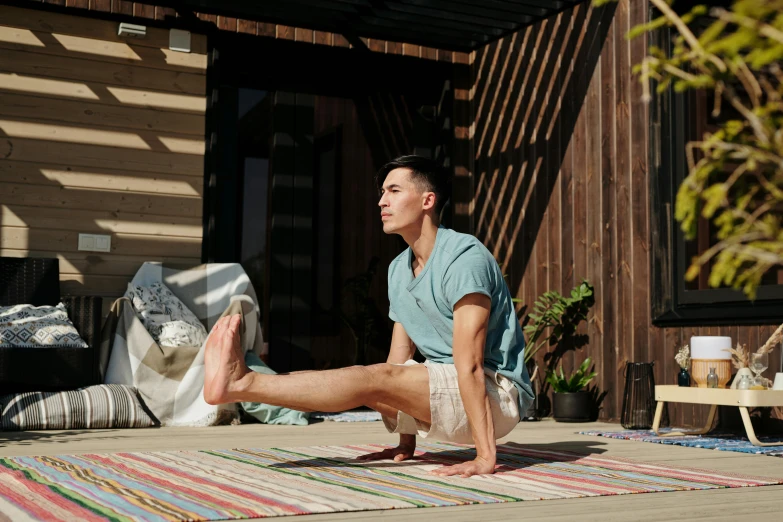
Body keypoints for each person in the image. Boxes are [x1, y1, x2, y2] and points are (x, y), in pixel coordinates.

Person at [204, 155, 534, 478]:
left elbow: (472, 365)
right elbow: (399, 359)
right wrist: (406, 443)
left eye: (393, 191)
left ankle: (244, 383)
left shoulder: (464, 258)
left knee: (372, 378)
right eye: (382, 193)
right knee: (376, 378)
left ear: (427, 201)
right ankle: (240, 385)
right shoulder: (397, 271)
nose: (381, 201)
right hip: (447, 389)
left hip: (496, 394)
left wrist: (485, 457)